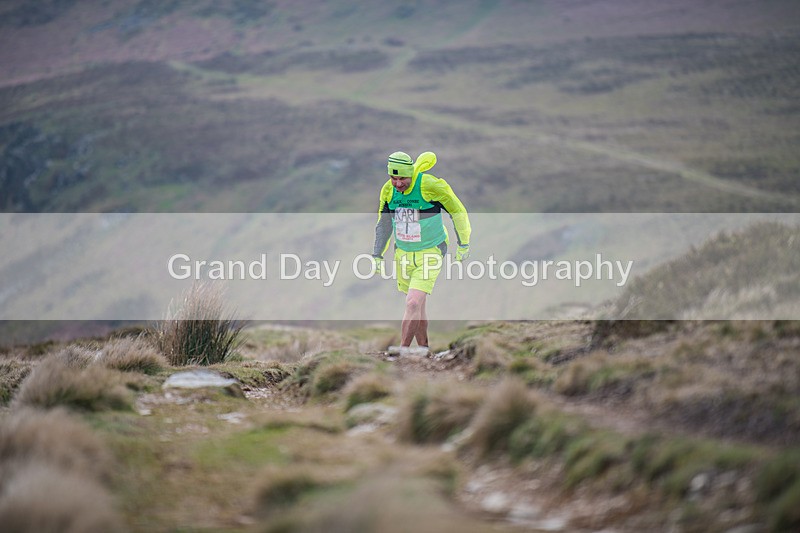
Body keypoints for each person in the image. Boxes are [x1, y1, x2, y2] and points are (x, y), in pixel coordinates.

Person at [372, 151, 471, 354]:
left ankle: (403, 352)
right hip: (404, 254)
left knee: (412, 302)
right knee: (419, 307)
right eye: (393, 178)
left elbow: (457, 211)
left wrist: (463, 244)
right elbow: (384, 223)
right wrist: (377, 254)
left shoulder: (430, 185)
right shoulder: (388, 191)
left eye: (402, 178)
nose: (398, 183)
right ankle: (424, 350)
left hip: (431, 251)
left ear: (411, 174)